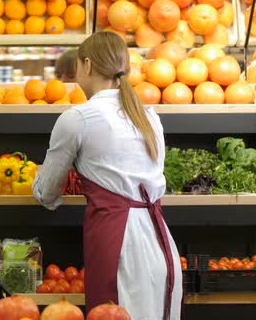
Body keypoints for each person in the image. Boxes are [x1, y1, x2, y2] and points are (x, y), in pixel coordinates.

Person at [33, 32, 182, 320]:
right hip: (162, 247)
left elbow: (46, 192)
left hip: (119, 249)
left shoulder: (78, 118)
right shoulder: (149, 116)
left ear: (87, 65)